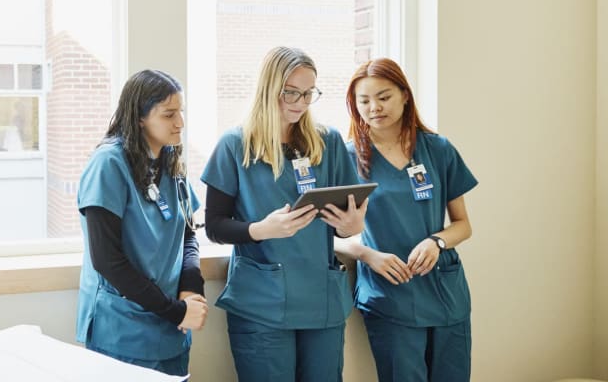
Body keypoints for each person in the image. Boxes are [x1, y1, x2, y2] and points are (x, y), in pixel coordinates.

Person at [201, 46, 366, 381]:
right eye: (291, 92)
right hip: (262, 302)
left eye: (308, 93)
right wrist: (261, 230)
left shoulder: (327, 142)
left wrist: (351, 226)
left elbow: (343, 221)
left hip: (321, 300)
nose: (300, 102)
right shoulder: (235, 145)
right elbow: (215, 227)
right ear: (268, 88)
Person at [337, 57, 477, 382]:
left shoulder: (438, 150)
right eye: (364, 101)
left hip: (445, 291)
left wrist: (436, 241)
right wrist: (366, 254)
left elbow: (463, 225)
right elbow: (325, 234)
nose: (374, 107)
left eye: (383, 97)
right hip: (390, 294)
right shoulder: (345, 159)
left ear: (404, 95)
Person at [76, 69, 207, 377]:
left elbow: (187, 233)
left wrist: (190, 288)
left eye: (182, 112)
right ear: (139, 118)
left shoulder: (170, 160)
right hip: (123, 328)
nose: (181, 123)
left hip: (172, 326)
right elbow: (107, 261)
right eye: (169, 114)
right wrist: (176, 311)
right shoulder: (108, 164)